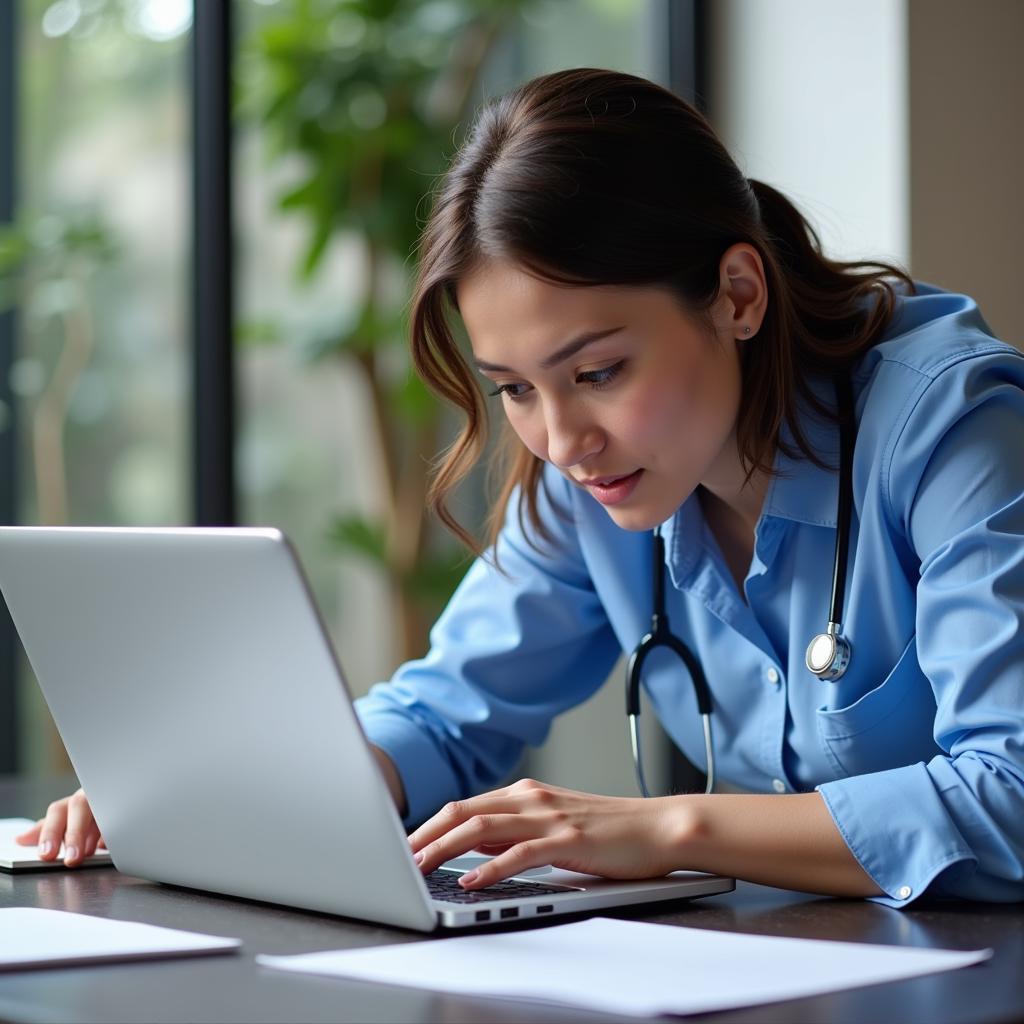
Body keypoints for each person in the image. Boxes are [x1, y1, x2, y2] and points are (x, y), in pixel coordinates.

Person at [19, 68, 1024, 908]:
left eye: (597, 372)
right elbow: (449, 712)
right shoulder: (590, 475)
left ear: (737, 294)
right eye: (512, 390)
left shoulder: (952, 426)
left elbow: (1012, 796)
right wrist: (239, 788)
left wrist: (665, 828)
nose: (560, 439)